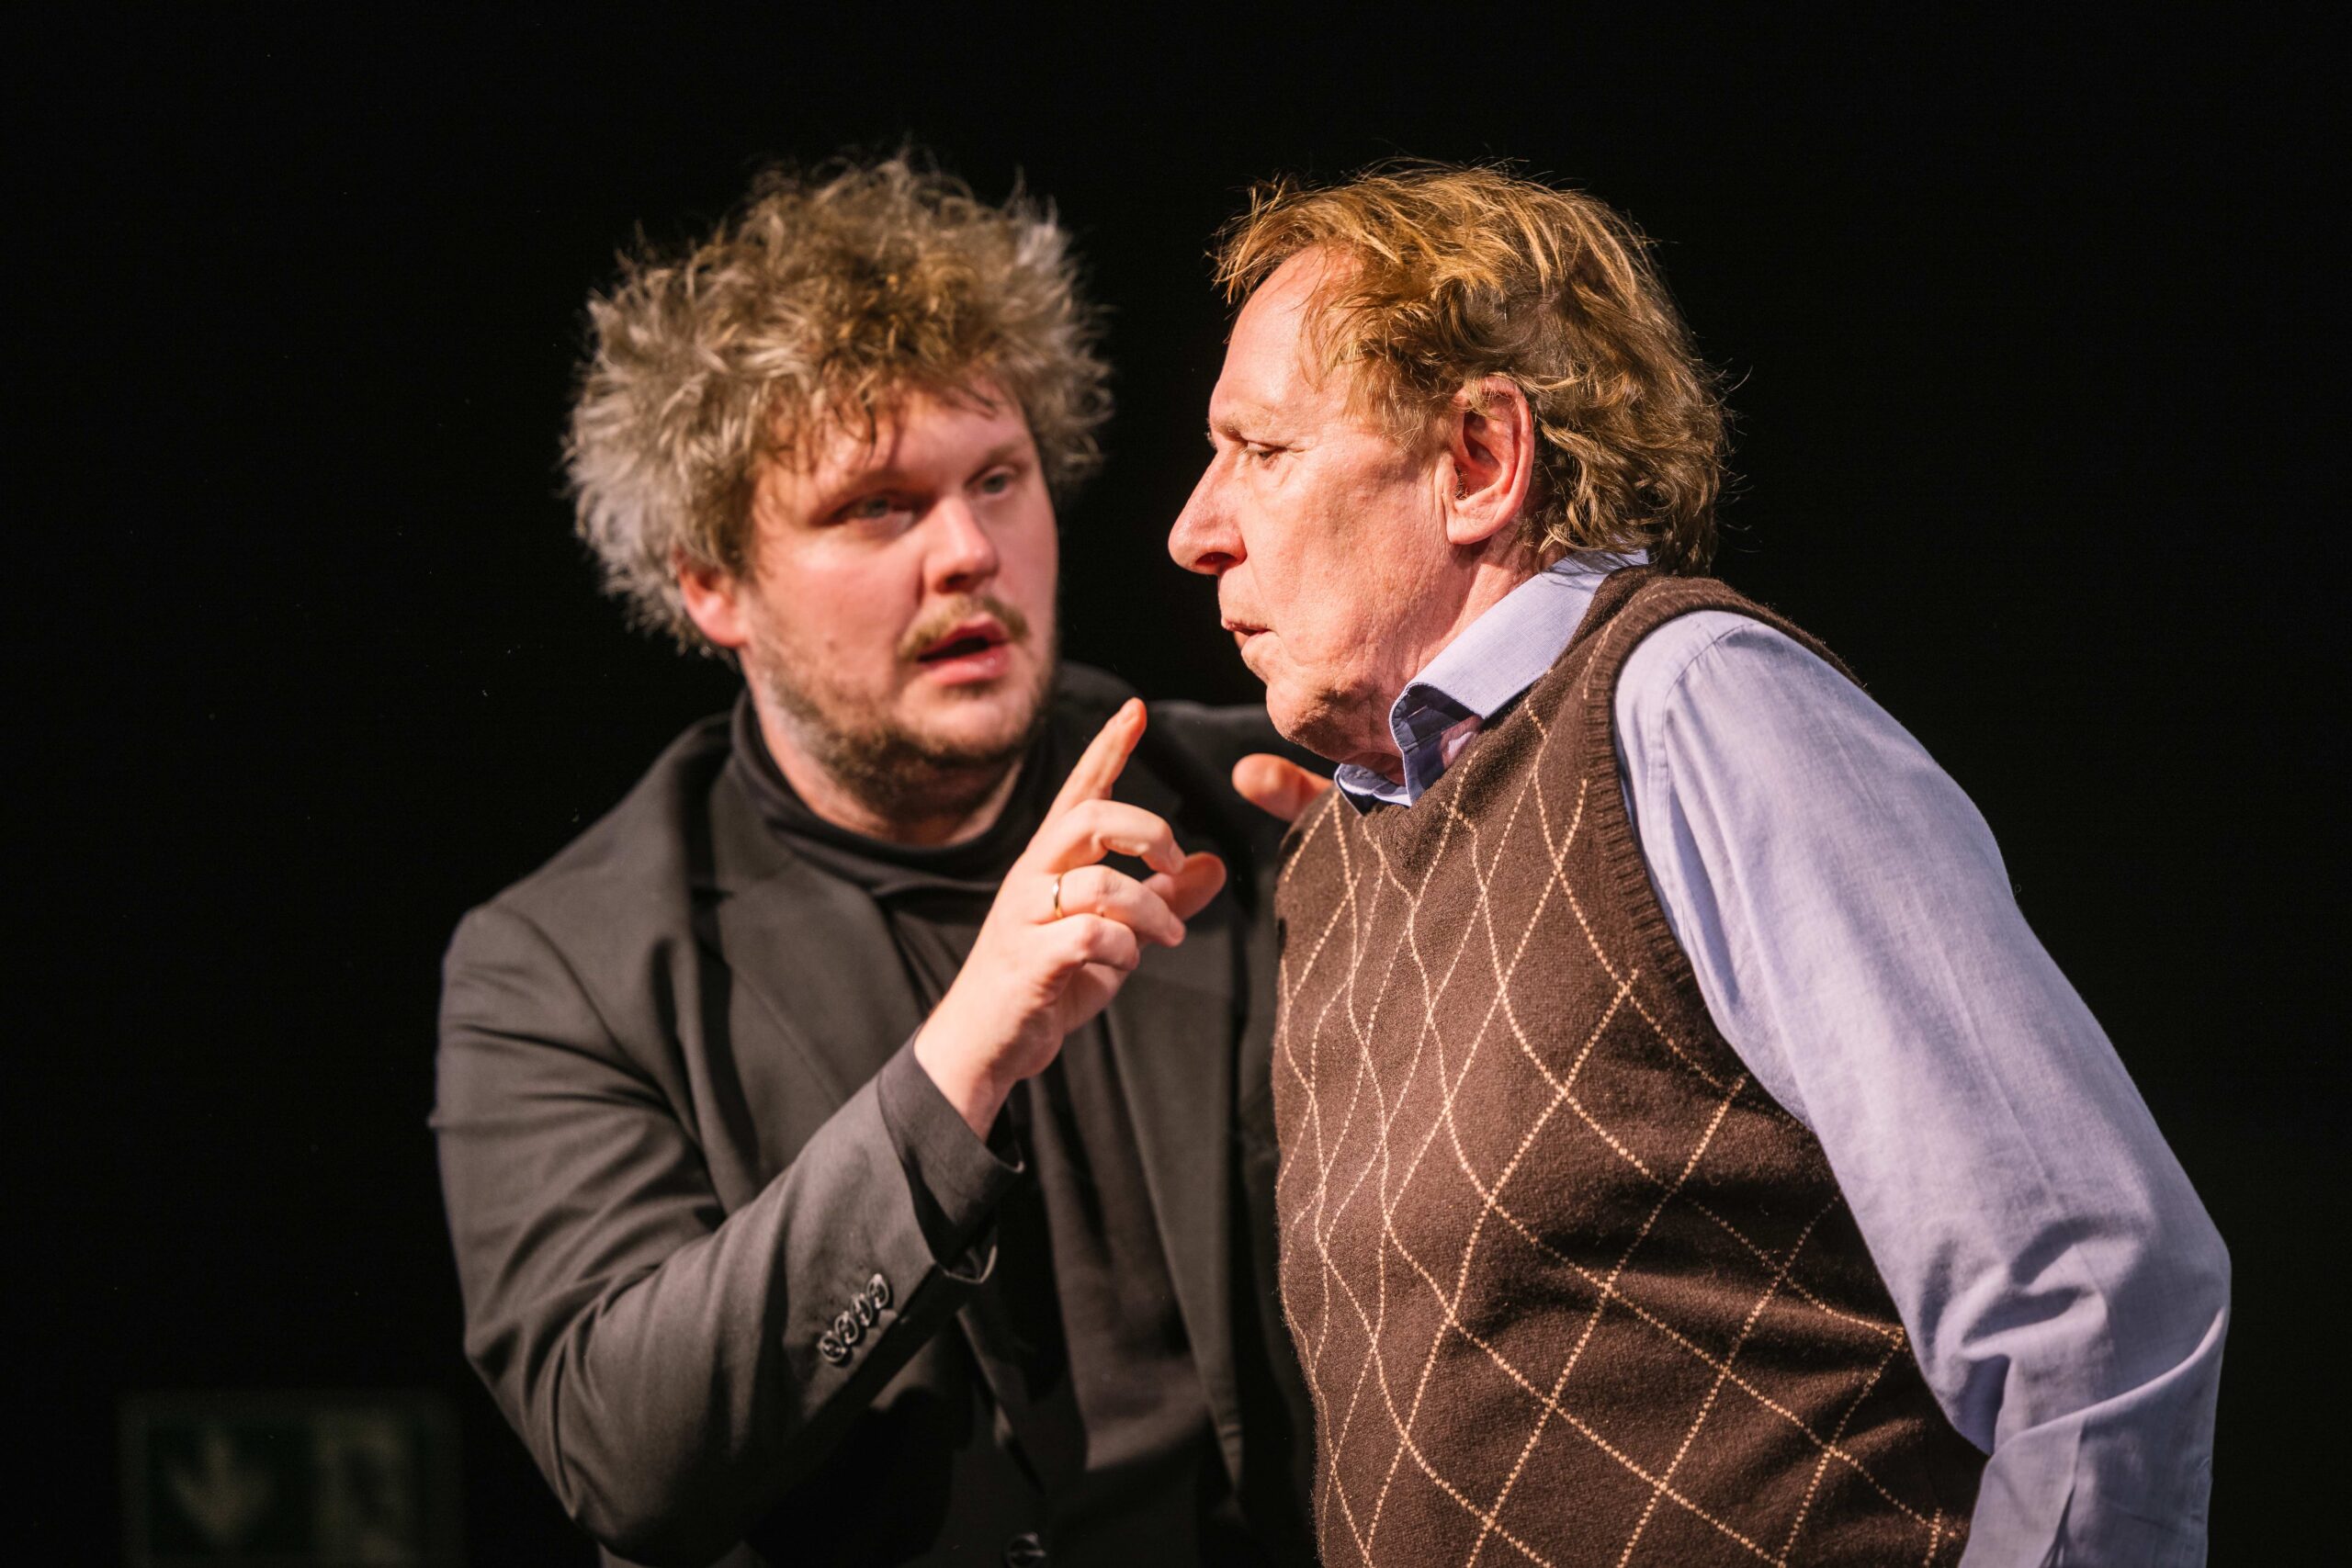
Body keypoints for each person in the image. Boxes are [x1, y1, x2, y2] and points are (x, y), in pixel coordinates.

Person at [1173, 164, 2228, 1567]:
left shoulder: (1690, 708)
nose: (1194, 529)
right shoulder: (1337, 855)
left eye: (1262, 450)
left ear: (1479, 460)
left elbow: (2094, 1305)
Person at [434, 157, 1312, 1568]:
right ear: (710, 581)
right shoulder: (565, 965)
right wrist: (960, 1063)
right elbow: (624, 1457)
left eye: (998, 480)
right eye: (876, 507)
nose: (967, 552)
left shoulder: (1261, 809)